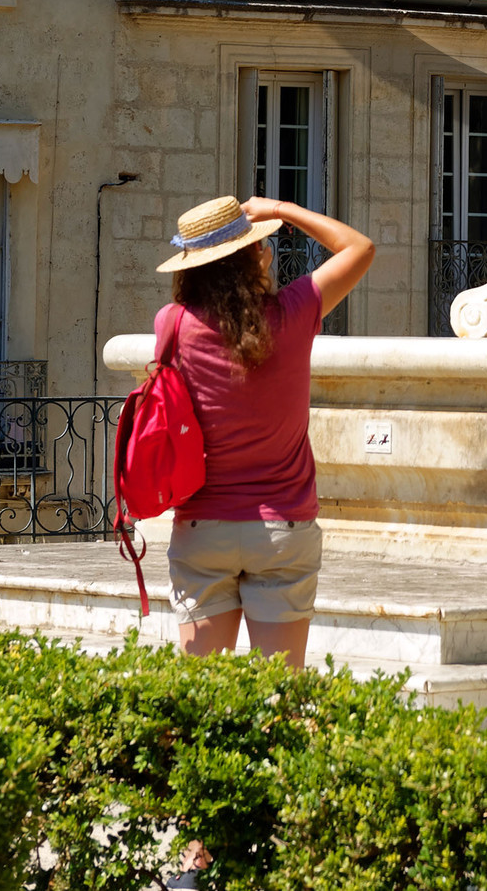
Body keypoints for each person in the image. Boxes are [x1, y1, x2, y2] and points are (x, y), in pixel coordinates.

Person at [153, 191, 373, 669]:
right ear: (252, 255)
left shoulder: (172, 323)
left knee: (202, 696)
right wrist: (280, 211)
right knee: (280, 691)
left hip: (202, 524)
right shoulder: (294, 312)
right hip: (283, 527)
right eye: (261, 247)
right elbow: (359, 248)